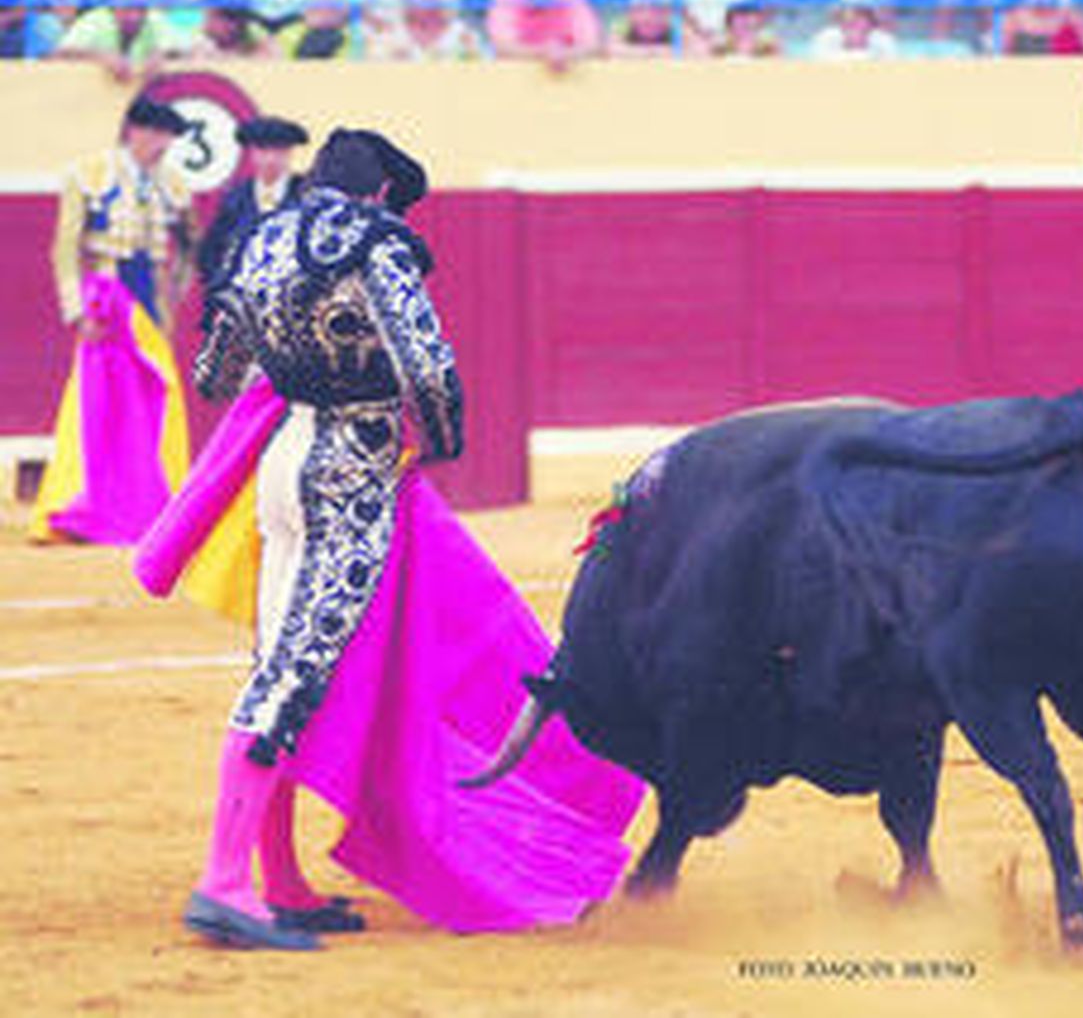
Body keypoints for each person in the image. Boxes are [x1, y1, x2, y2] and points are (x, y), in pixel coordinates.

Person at [152, 128, 642, 949]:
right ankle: (225, 882)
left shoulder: (256, 241)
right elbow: (429, 367)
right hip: (352, 470)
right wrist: (438, 442)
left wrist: (293, 362)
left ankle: (279, 881)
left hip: (281, 467)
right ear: (380, 194)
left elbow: (212, 374)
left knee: (282, 661)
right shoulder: (375, 244)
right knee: (295, 677)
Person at [30, 95, 193, 546]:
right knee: (94, 402)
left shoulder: (174, 184)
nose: (163, 145)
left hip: (150, 306)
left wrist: (173, 296)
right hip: (106, 300)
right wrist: (76, 309)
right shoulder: (89, 175)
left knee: (156, 399)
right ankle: (81, 502)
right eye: (157, 135)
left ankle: (155, 504)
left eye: (169, 137)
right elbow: (65, 247)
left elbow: (190, 245)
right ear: (134, 132)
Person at [195, 116, 309, 294]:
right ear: (251, 153)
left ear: (290, 153)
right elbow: (210, 254)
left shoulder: (305, 196)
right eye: (263, 150)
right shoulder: (234, 198)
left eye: (279, 151)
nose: (271, 159)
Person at [53, 0, 189, 81]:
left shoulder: (153, 19)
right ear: (113, 5)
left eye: (140, 9)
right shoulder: (94, 20)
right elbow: (60, 53)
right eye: (127, 8)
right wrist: (102, 57)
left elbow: (194, 47)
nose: (134, 16)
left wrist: (164, 55)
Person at [485, 0, 601, 69]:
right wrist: (543, 52)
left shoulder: (573, 0)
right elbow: (503, 47)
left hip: (565, 72)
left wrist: (564, 54)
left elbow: (591, 45)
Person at [809, 0, 899, 59]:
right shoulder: (825, 39)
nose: (852, 21)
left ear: (871, 22)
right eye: (846, 16)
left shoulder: (884, 42)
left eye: (860, 15)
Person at [606, 0, 677, 58]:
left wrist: (647, 53)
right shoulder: (622, 21)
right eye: (640, 9)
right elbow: (610, 49)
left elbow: (691, 48)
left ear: (668, 11)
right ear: (630, 11)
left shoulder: (675, 21)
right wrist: (651, 53)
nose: (647, 17)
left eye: (656, 9)